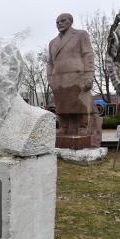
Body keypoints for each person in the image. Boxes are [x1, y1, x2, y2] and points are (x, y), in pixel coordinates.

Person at [47, 13, 102, 148]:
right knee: (61, 104)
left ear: (70, 22)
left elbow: (87, 54)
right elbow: (49, 62)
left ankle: (83, 127)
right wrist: (50, 77)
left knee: (80, 102)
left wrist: (89, 75)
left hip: (77, 75)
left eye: (63, 21)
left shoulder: (80, 35)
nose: (59, 23)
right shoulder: (53, 42)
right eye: (57, 22)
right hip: (58, 77)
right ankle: (63, 127)